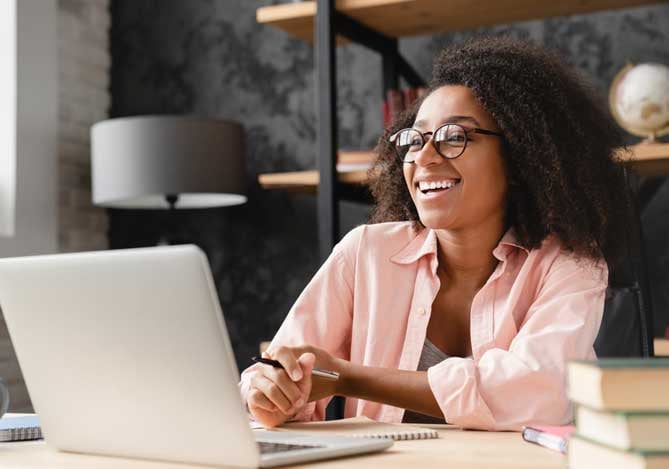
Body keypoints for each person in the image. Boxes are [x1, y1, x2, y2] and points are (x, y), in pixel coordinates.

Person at [239, 37, 630, 431]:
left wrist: (347, 377)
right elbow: (278, 372)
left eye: (454, 137)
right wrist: (273, 395)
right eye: (415, 139)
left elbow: (536, 394)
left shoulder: (569, 264)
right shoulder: (365, 254)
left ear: (519, 158)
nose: (424, 158)